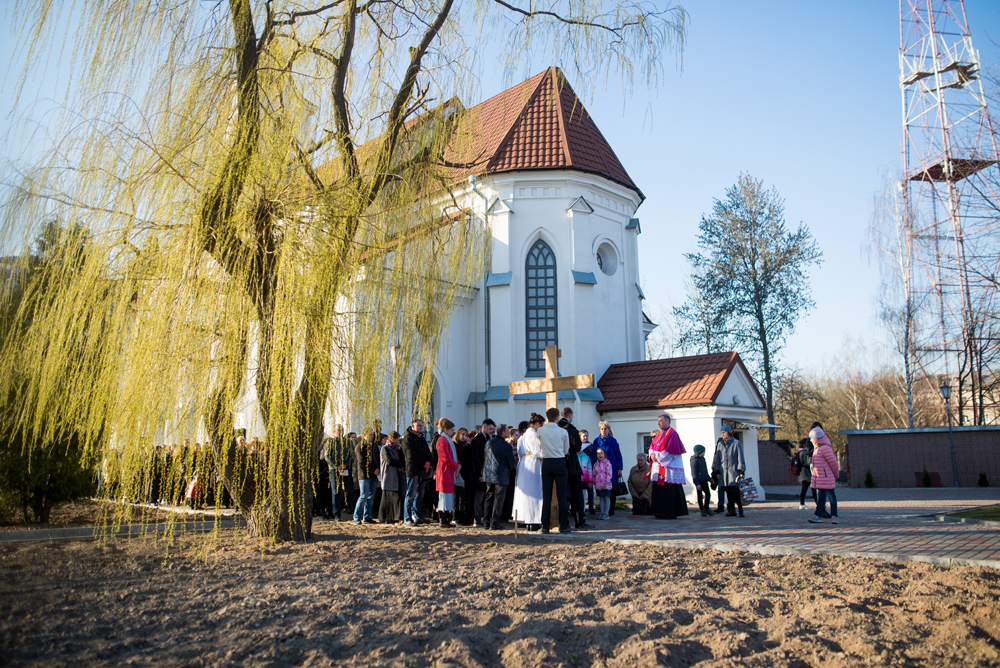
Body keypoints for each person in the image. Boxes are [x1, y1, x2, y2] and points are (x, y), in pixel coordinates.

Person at [647, 413, 689, 519]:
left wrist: (658, 458)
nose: (658, 423)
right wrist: (652, 455)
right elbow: (652, 447)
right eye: (658, 421)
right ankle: (659, 512)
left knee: (669, 491)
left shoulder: (673, 434)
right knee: (660, 491)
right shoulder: (659, 435)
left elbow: (671, 451)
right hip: (659, 467)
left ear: (667, 421)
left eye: (661, 421)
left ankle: (669, 513)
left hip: (669, 468)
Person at [537, 407, 571, 533]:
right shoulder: (563, 432)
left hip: (546, 462)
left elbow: (539, 444)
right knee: (562, 496)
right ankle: (563, 526)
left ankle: (545, 526)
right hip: (559, 461)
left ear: (547, 417)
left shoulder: (540, 430)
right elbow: (566, 450)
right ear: (557, 418)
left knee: (546, 496)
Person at [558, 408, 592, 530]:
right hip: (571, 463)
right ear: (570, 416)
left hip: (559, 463)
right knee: (577, 494)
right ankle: (580, 522)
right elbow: (577, 447)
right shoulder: (570, 429)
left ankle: (562, 523)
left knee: (561, 494)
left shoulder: (555, 428)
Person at [482, 424, 517, 530]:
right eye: (507, 431)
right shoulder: (506, 446)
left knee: (489, 497)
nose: (508, 433)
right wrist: (508, 470)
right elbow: (511, 462)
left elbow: (485, 456)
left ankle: (486, 522)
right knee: (498, 499)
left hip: (488, 474)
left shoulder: (488, 442)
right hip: (501, 475)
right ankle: (494, 522)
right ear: (503, 433)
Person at [512, 413, 545, 527]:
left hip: (524, 462)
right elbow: (537, 452)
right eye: (541, 425)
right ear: (537, 424)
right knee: (534, 491)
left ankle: (524, 517)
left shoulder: (523, 435)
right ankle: (533, 519)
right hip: (533, 463)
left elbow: (520, 451)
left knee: (524, 493)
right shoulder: (533, 434)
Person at [401, 418, 432, 528]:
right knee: (411, 494)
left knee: (420, 494)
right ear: (412, 426)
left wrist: (428, 462)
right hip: (413, 469)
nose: (421, 427)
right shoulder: (407, 438)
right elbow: (410, 455)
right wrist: (424, 462)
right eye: (418, 425)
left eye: (421, 425)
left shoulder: (422, 438)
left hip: (422, 470)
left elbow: (428, 451)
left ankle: (417, 516)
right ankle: (407, 517)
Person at [808, 427, 840, 525]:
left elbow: (833, 463)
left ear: (817, 439)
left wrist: (836, 475)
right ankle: (818, 515)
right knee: (820, 497)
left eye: (811, 438)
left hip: (826, 478)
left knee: (831, 497)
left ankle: (834, 516)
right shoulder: (817, 448)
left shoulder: (825, 448)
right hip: (820, 479)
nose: (810, 440)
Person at [712, 424, 745, 518]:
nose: (722, 435)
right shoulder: (720, 444)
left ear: (729, 432)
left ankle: (740, 509)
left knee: (735, 491)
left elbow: (740, 458)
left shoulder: (736, 443)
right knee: (728, 491)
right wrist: (717, 471)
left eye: (724, 432)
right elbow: (718, 459)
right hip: (724, 472)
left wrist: (741, 471)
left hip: (733, 471)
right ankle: (731, 510)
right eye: (721, 433)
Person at [434, 418, 462, 528]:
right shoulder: (442, 440)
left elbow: (451, 455)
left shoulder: (447, 440)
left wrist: (457, 464)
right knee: (444, 496)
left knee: (448, 495)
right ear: (445, 429)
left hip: (448, 470)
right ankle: (443, 519)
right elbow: (445, 457)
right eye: (451, 430)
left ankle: (445, 518)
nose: (453, 432)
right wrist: (456, 465)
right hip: (445, 471)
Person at [591, 421, 623, 515]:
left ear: (608, 430)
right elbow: (593, 455)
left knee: (610, 487)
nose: (603, 431)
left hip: (611, 468)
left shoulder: (613, 441)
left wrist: (619, 468)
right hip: (599, 469)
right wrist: (593, 467)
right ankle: (603, 511)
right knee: (601, 489)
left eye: (605, 429)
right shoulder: (596, 441)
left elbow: (618, 454)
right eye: (602, 429)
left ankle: (610, 510)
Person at [469, 419, 496, 527]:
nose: (491, 432)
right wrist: (480, 474)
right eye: (490, 429)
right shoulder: (477, 440)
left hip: (489, 472)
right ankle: (477, 517)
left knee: (487, 495)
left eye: (493, 430)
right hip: (481, 472)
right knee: (479, 496)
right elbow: (476, 459)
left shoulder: (491, 438)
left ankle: (486, 517)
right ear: (484, 427)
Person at [326, 425, 356, 521]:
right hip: (334, 469)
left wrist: (346, 465)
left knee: (350, 490)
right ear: (334, 431)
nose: (340, 431)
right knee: (336, 491)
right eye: (338, 430)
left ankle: (354, 511)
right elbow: (327, 456)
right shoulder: (331, 442)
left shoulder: (348, 442)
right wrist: (336, 466)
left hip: (346, 468)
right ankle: (337, 514)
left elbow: (352, 455)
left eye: (342, 430)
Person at [352, 427, 380, 524]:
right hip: (364, 474)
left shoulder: (375, 446)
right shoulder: (360, 446)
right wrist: (373, 470)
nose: (372, 436)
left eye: (372, 434)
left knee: (371, 496)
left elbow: (377, 458)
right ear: (364, 435)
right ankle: (356, 516)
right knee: (364, 495)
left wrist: (378, 469)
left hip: (374, 475)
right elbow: (362, 461)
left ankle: (367, 516)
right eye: (370, 435)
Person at [378, 431, 405, 524]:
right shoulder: (385, 449)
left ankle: (396, 517)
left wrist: (399, 450)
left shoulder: (396, 449)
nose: (399, 442)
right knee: (388, 497)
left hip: (397, 475)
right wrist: (400, 463)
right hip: (389, 476)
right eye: (397, 440)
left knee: (397, 497)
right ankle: (386, 517)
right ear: (392, 439)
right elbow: (390, 461)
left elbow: (402, 459)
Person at [453, 428, 476, 526]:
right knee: (458, 495)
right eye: (462, 434)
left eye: (466, 435)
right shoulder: (455, 445)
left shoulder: (467, 446)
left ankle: (465, 516)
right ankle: (457, 516)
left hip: (467, 472)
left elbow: (470, 457)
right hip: (459, 471)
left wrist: (470, 444)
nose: (464, 437)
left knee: (466, 496)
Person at [794, 438, 817, 509]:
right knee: (813, 488)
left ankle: (802, 503)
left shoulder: (799, 452)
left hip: (802, 473)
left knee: (804, 489)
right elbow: (807, 463)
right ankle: (818, 503)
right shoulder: (804, 453)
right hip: (806, 473)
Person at [690, 444, 712, 517]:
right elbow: (694, 473)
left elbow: (705, 471)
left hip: (704, 480)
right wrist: (697, 483)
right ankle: (702, 509)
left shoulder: (703, 459)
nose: (704, 453)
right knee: (700, 496)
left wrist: (709, 479)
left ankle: (706, 508)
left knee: (708, 494)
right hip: (699, 481)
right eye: (703, 452)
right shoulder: (694, 460)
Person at [593, 448, 614, 520]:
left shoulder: (607, 463)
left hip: (606, 485)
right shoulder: (596, 464)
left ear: (604, 454)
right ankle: (602, 512)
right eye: (598, 453)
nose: (600, 455)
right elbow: (594, 474)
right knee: (601, 498)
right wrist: (594, 482)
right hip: (598, 485)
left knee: (606, 498)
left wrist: (606, 483)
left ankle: (606, 513)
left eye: (601, 453)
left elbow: (609, 474)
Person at [579, 430, 596, 515]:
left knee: (590, 490)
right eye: (583, 436)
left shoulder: (590, 446)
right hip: (581, 470)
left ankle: (591, 506)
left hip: (589, 468)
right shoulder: (578, 446)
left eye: (586, 436)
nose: (585, 437)